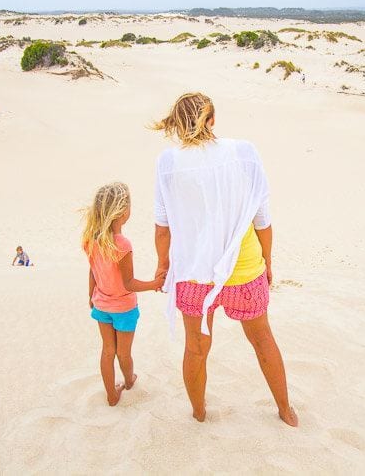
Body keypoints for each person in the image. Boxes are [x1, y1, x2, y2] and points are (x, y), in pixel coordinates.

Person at [151, 92, 298, 426]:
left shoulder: (168, 162)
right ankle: (285, 411)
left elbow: (163, 227)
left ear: (177, 124)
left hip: (193, 273)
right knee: (262, 339)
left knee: (196, 348)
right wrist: (268, 261)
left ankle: (199, 413)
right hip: (243, 266)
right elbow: (262, 217)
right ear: (212, 119)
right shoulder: (243, 152)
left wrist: (163, 267)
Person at [82, 182, 165, 406]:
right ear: (121, 212)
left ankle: (111, 394)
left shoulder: (92, 240)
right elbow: (129, 284)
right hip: (125, 309)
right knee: (124, 353)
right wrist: (155, 283)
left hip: (101, 306)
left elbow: (92, 270)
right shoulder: (122, 244)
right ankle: (129, 381)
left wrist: (91, 295)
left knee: (107, 351)